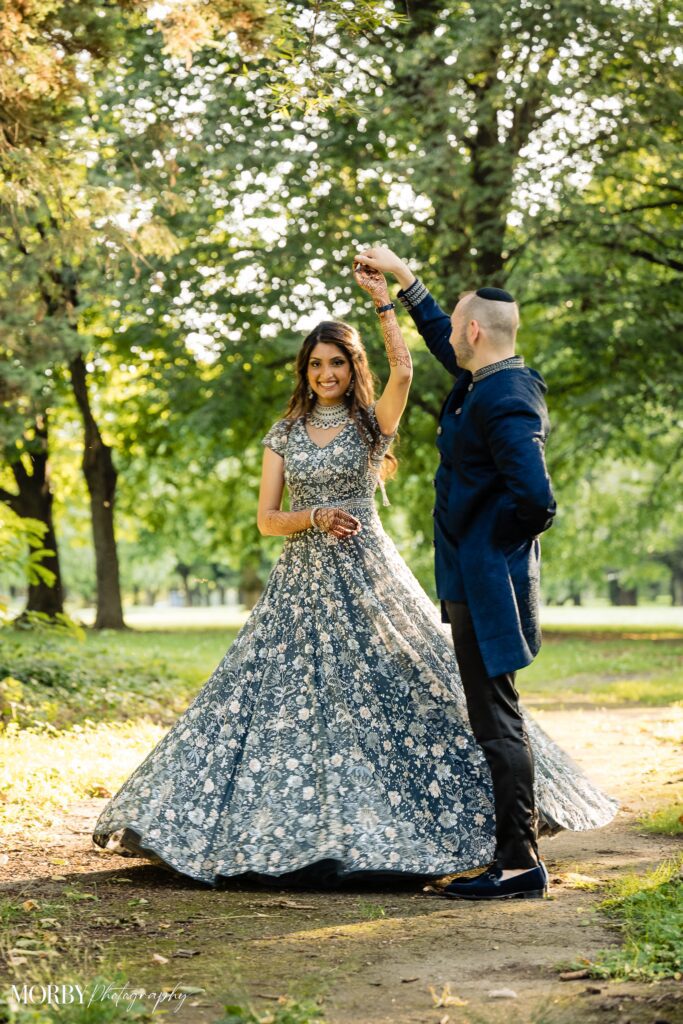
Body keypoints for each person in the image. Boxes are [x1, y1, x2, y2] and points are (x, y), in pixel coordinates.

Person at [92, 258, 617, 892]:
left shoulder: (375, 424)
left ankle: (495, 842)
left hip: (372, 576)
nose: (326, 373)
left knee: (416, 691)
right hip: (301, 582)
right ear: (304, 371)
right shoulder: (283, 433)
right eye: (315, 364)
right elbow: (266, 519)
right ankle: (283, 834)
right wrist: (312, 515)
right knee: (281, 704)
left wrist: (384, 302)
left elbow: (404, 369)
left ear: (350, 366)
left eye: (336, 362)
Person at [352, 245, 610, 900]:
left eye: (455, 325)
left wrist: (485, 546)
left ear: (475, 332)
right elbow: (441, 337)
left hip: (487, 580)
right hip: (473, 576)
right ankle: (514, 857)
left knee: (495, 719)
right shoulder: (483, 379)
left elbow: (537, 502)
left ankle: (518, 864)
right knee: (493, 714)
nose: (449, 337)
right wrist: (404, 283)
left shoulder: (505, 399)